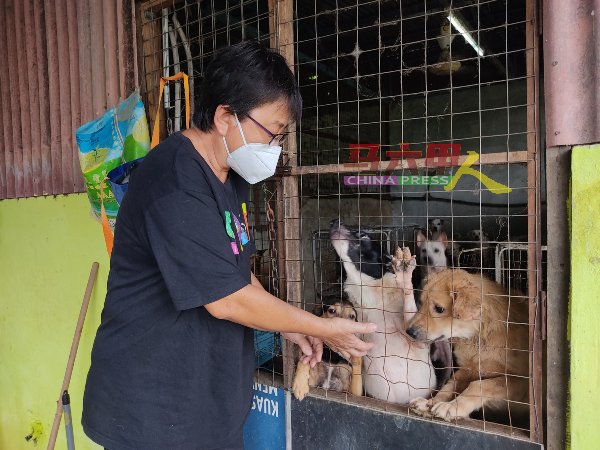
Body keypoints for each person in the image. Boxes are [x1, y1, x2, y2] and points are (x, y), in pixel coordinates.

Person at [82, 41, 376, 450]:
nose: (275, 147)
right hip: (152, 411)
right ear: (224, 116)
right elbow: (226, 300)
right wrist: (324, 328)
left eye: (281, 136)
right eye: (272, 133)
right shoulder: (173, 182)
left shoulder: (229, 175)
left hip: (205, 406)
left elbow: (236, 272)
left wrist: (292, 324)